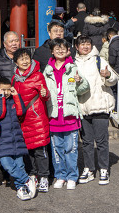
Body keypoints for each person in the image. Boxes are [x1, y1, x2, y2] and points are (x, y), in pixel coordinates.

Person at [42, 38, 90, 190]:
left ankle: (72, 176)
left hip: (70, 117)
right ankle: (60, 175)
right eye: (57, 48)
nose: (60, 50)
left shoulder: (72, 67)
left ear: (68, 50)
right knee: (57, 150)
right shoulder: (47, 70)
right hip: (54, 116)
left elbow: (83, 89)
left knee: (71, 149)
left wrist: (80, 81)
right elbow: (43, 91)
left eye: (63, 48)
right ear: (52, 51)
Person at [75, 35, 117, 186]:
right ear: (76, 47)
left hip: (99, 105)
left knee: (101, 141)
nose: (85, 46)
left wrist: (108, 75)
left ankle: (104, 169)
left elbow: (113, 79)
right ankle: (89, 168)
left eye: (87, 44)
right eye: (82, 44)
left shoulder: (99, 60)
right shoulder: (73, 63)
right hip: (82, 107)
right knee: (86, 142)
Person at [11, 48, 51, 193]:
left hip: (37, 118)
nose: (25, 61)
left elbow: (46, 96)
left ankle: (44, 177)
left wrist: (45, 93)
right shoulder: (15, 78)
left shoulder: (38, 75)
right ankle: (33, 174)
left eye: (27, 58)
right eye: (21, 59)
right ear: (16, 62)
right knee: (29, 151)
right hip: (23, 119)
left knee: (40, 150)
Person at [0, 77, 37, 201]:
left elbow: (20, 111)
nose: (6, 92)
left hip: (17, 139)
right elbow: (1, 113)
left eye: (8, 90)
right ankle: (27, 180)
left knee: (20, 165)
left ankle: (21, 188)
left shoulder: (13, 100)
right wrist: (1, 97)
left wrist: (16, 95)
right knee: (7, 164)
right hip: (3, 140)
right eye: (3, 90)